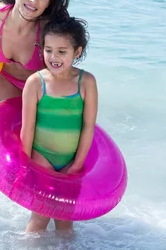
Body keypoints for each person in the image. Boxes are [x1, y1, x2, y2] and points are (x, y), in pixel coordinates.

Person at [20, 16, 98, 233]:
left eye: (62, 52)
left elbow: (89, 126)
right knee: (40, 216)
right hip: (41, 156)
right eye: (48, 50)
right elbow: (28, 127)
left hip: (71, 159)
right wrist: (25, 164)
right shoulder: (36, 82)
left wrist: (77, 164)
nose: (53, 57)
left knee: (65, 220)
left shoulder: (86, 82)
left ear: (77, 52)